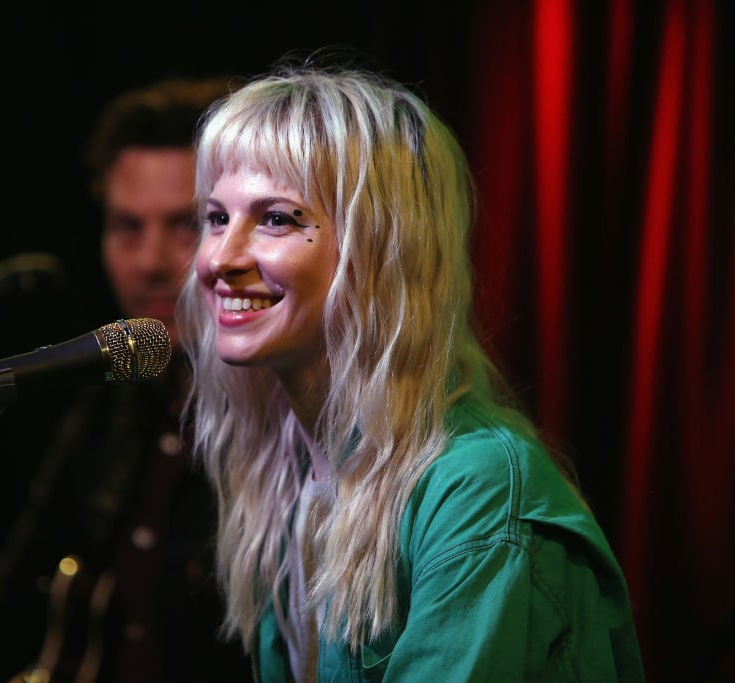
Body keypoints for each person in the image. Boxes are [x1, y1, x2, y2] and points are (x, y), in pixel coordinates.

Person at [175, 59, 647, 681]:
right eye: (216, 217)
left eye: (277, 218)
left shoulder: (475, 491)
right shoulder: (294, 471)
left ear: (380, 248)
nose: (220, 258)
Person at [0, 77, 250, 682]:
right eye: (127, 227)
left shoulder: (286, 419)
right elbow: (10, 605)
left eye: (185, 226)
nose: (150, 263)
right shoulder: (106, 400)